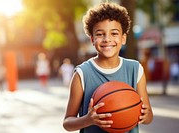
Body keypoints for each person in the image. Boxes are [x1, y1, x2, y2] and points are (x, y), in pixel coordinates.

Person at [63, 2, 153, 133]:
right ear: (92, 39)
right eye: (100, 34)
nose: (107, 39)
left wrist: (144, 115)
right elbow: (67, 123)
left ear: (123, 38)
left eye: (114, 33)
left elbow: (149, 117)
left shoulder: (135, 69)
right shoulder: (82, 74)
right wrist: (88, 120)